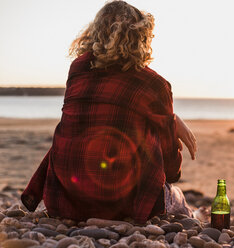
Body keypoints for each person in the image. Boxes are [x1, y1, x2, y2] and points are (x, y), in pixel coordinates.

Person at [21, 0, 197, 224]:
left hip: (66, 197)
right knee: (179, 202)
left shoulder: (78, 68)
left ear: (95, 32)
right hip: (123, 201)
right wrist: (171, 124)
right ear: (141, 36)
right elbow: (169, 164)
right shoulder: (153, 83)